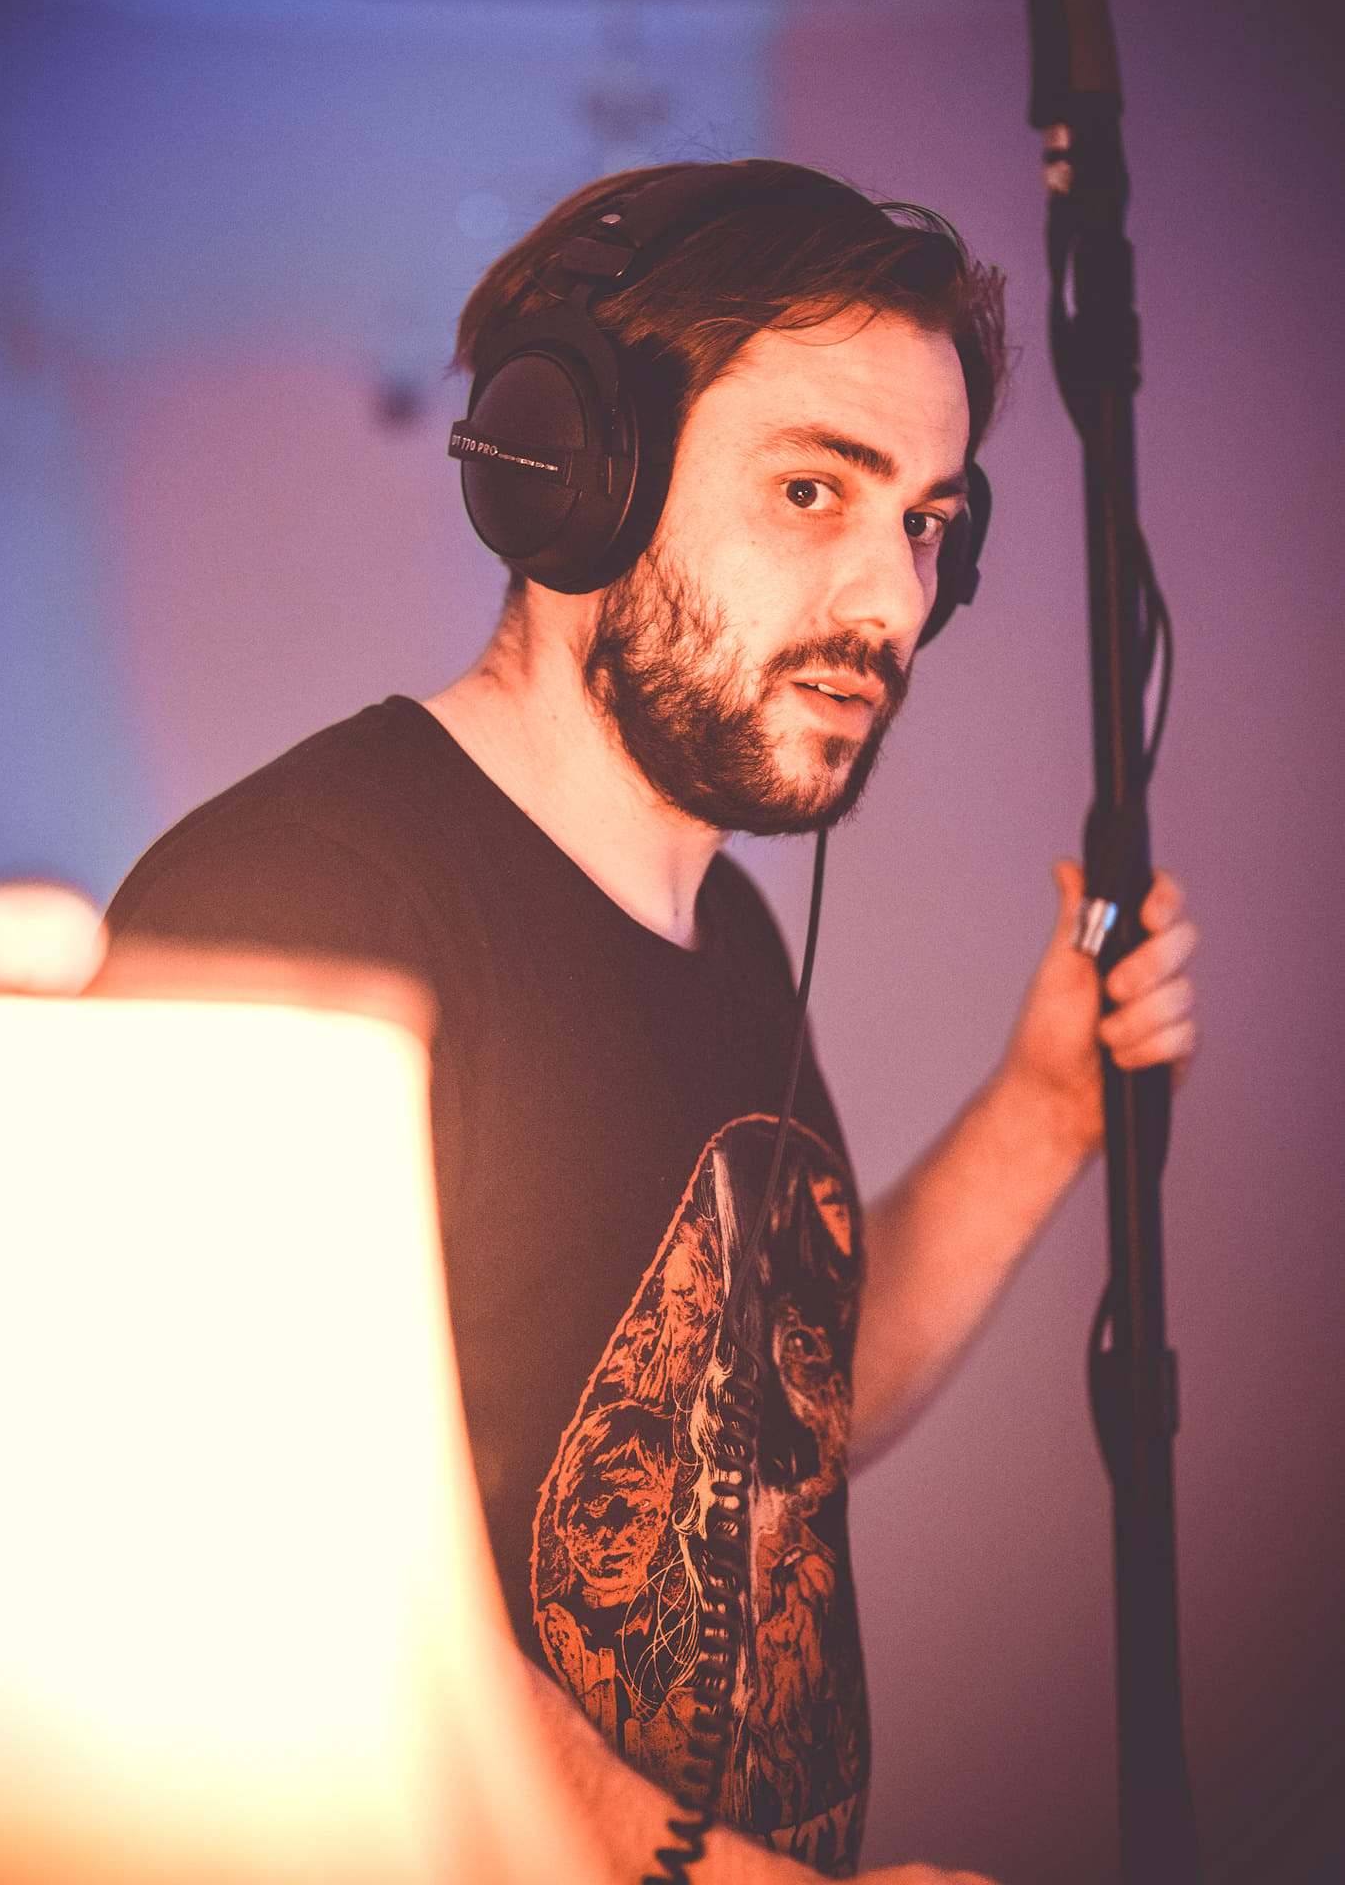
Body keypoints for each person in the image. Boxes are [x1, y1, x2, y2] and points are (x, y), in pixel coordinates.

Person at [98, 160, 1197, 1883]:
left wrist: (1045, 1107)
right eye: (812, 490)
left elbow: (762, 1419)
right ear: (572, 479)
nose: (893, 602)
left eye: (924, 522)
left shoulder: (727, 927)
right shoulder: (298, 909)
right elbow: (271, 1578)